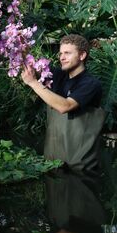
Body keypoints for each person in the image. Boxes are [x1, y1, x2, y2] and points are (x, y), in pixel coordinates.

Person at [21, 34, 105, 172]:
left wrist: (33, 83)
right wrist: (22, 52)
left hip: (81, 169)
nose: (61, 57)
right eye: (61, 53)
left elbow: (65, 106)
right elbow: (31, 67)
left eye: (67, 53)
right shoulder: (57, 75)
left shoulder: (90, 84)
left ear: (82, 55)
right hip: (53, 164)